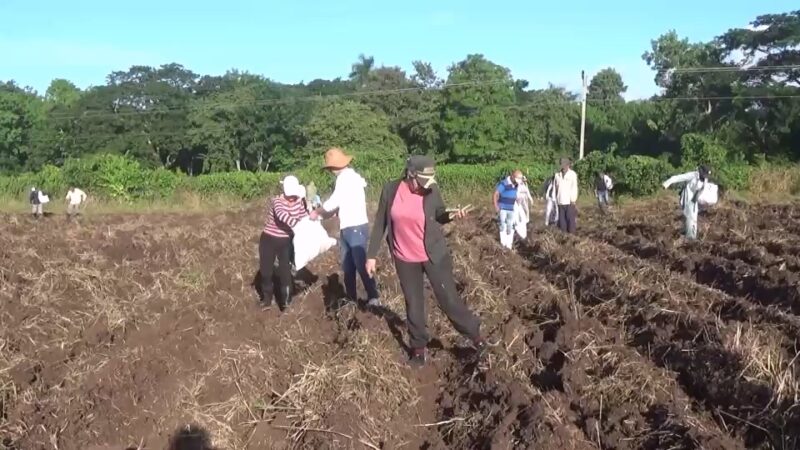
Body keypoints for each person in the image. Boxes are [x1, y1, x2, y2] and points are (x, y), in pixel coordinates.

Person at [365, 155, 492, 368]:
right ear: (410, 174)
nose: (425, 185)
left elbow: (440, 214)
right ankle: (418, 349)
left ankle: (476, 337)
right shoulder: (390, 190)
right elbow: (380, 224)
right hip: (405, 257)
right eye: (421, 181)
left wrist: (451, 215)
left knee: (448, 300)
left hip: (433, 255)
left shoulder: (432, 190)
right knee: (414, 304)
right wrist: (371, 255)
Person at [309, 148, 380, 307]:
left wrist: (317, 212)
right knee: (348, 265)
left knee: (360, 263)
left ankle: (373, 296)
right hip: (348, 226)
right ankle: (351, 298)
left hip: (355, 227)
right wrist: (334, 211)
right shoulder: (351, 177)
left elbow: (333, 202)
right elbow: (346, 201)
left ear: (333, 167)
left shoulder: (345, 179)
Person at [260, 175, 308, 310]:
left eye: (294, 195)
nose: (292, 197)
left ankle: (286, 303)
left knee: (285, 272)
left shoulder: (298, 202)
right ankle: (267, 300)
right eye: (290, 195)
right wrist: (297, 225)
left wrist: (310, 223)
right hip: (268, 239)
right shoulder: (276, 201)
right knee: (266, 271)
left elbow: (303, 216)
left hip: (286, 241)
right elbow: (282, 215)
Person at [662, 165, 711, 240]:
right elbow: (678, 178)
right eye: (704, 174)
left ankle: (687, 235)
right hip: (687, 198)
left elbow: (703, 190)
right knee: (690, 217)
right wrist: (666, 183)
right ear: (700, 172)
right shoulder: (693, 175)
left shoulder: (705, 179)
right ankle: (690, 238)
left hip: (695, 200)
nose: (705, 177)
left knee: (693, 218)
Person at [493, 170, 521, 249]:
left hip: (511, 209)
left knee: (510, 226)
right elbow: (496, 194)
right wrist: (496, 206)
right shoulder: (504, 183)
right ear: (512, 176)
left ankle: (509, 245)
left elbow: (514, 195)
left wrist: (517, 200)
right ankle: (503, 244)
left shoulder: (516, 185)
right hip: (503, 208)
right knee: (502, 224)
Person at [554, 157, 578, 233]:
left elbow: (574, 187)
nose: (562, 167)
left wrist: (573, 199)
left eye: (564, 165)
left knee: (570, 220)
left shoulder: (572, 174)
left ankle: (572, 236)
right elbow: (556, 187)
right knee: (562, 221)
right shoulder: (557, 175)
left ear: (568, 165)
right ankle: (564, 236)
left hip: (569, 201)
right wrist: (556, 199)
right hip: (560, 201)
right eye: (561, 164)